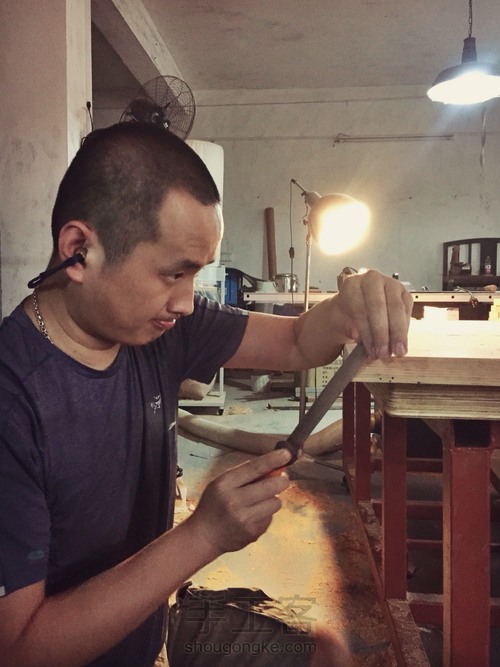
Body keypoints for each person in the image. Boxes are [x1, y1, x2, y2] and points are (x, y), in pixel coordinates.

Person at [0, 121, 413, 667]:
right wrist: (203, 536)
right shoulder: (15, 401)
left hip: (154, 624)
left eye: (195, 275)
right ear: (79, 251)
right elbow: (19, 649)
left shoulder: (161, 328)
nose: (186, 302)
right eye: (174, 273)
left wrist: (348, 305)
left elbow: (296, 341)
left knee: (327, 657)